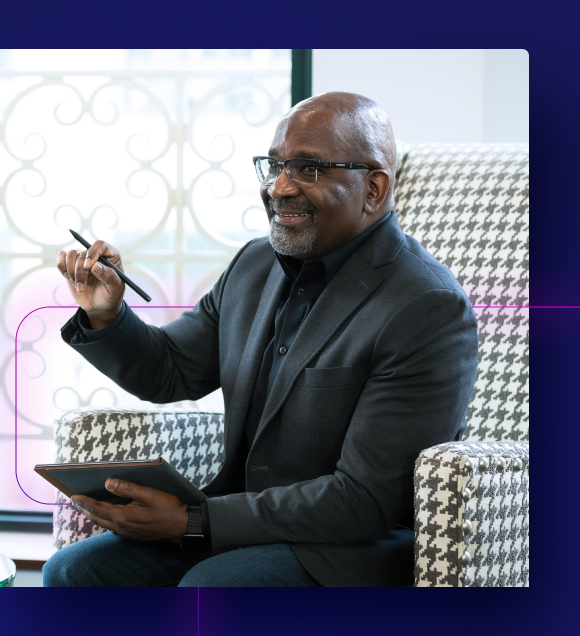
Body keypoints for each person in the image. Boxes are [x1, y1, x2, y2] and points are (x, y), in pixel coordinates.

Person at [43, 92, 478, 587]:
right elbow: (171, 369)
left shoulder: (426, 306)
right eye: (273, 166)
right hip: (237, 529)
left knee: (212, 591)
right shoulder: (253, 265)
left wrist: (193, 521)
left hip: (349, 550)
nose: (279, 187)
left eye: (308, 169)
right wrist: (108, 315)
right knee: (75, 572)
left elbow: (364, 500)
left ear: (374, 189)